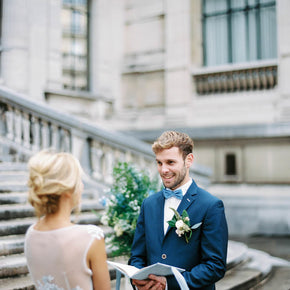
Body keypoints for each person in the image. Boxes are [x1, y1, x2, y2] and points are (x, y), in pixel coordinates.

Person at [129, 131, 228, 290]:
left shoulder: (211, 206)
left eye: (170, 162)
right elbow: (137, 256)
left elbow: (215, 266)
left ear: (188, 160)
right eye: (159, 163)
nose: (163, 170)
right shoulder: (149, 204)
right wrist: (139, 280)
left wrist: (169, 284)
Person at [24, 150, 111, 290]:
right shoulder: (91, 237)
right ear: (67, 192)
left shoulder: (31, 234)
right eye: (79, 180)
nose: (82, 186)